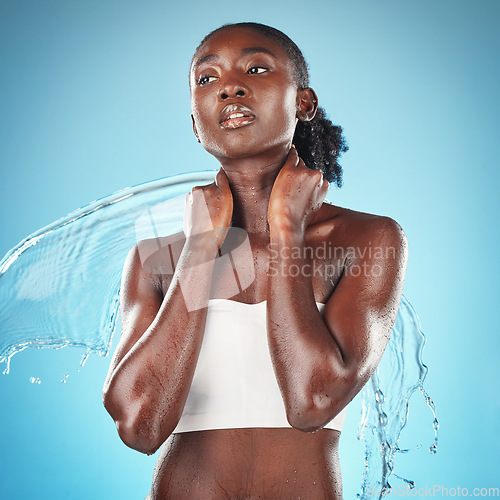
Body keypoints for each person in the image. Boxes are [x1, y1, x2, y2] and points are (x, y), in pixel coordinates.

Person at [102, 22, 408, 499]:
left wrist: (287, 229)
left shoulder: (366, 239)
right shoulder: (156, 261)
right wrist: (201, 248)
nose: (229, 86)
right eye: (207, 80)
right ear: (195, 121)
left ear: (303, 103)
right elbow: (139, 427)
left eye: (256, 68)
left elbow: (311, 402)